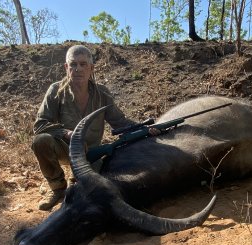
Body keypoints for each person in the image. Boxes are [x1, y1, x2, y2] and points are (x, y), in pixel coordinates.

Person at [32, 45, 158, 211]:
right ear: (66, 67)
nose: (78, 69)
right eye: (73, 64)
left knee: (93, 194)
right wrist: (66, 133)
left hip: (92, 154)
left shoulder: (102, 94)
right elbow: (40, 124)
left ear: (91, 68)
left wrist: (145, 129)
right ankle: (58, 189)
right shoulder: (56, 90)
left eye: (83, 64)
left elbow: (120, 122)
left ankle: (76, 180)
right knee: (41, 141)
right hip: (65, 149)